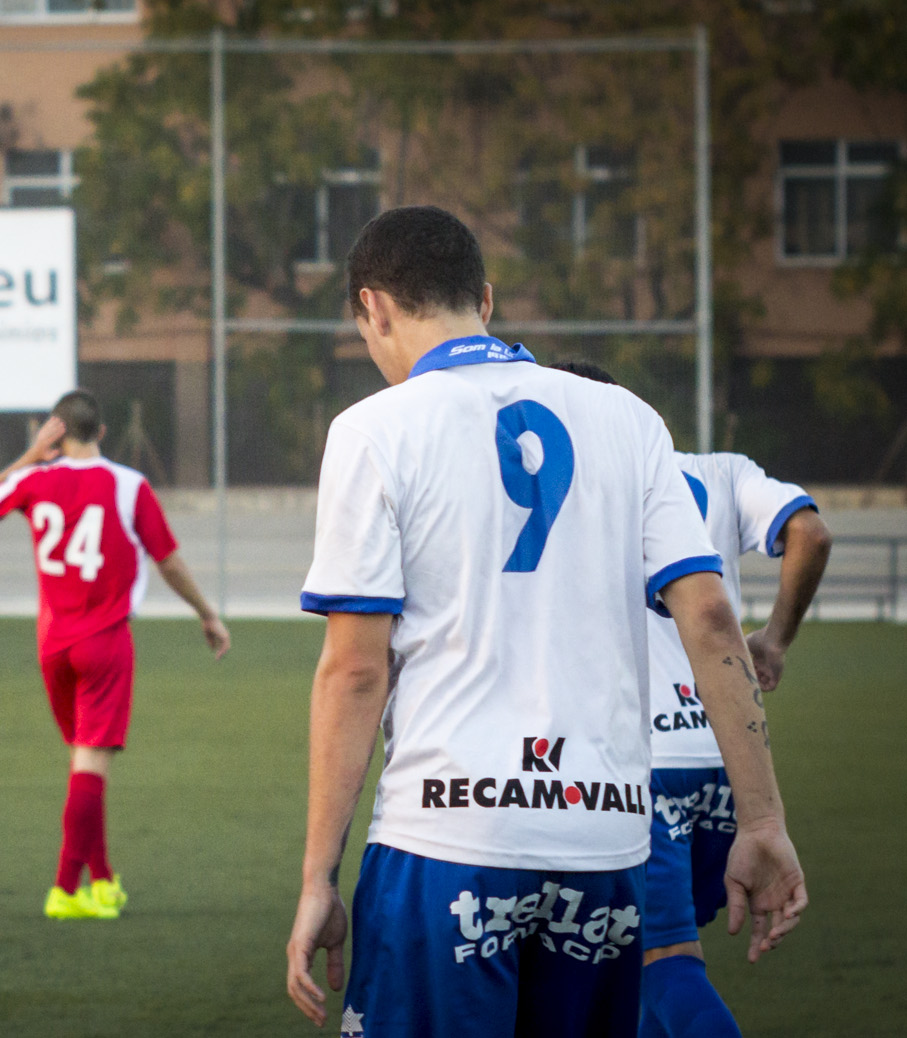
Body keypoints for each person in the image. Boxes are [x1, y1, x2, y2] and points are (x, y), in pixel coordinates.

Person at [282, 206, 808, 1037]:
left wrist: (318, 877)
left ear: (371, 309)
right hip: (603, 844)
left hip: (444, 837)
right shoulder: (629, 419)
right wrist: (762, 821)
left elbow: (354, 670)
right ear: (484, 300)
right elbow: (709, 620)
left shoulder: (371, 429)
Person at [552, 360, 832, 1038]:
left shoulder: (569, 486)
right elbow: (810, 531)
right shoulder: (721, 473)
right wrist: (774, 641)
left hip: (635, 767)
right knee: (648, 966)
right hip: (726, 762)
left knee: (663, 965)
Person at [0, 390, 230, 920]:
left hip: (53, 644)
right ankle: (65, 889)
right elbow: (168, 561)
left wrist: (31, 454)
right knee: (90, 765)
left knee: (84, 765)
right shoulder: (128, 485)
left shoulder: (35, 479)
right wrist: (207, 614)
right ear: (103, 431)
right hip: (105, 641)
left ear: (55, 432)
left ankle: (103, 880)